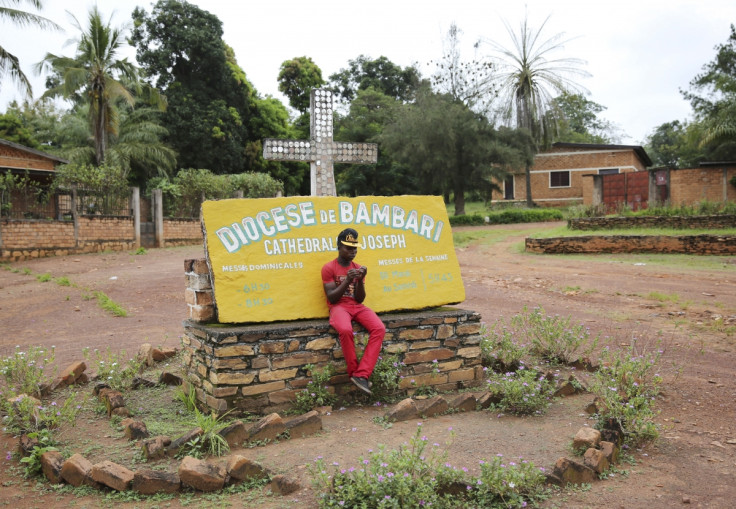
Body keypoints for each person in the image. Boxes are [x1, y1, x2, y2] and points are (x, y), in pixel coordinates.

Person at [321, 228, 385, 395]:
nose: (352, 252)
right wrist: (348, 279)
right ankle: (354, 373)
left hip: (356, 306)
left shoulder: (357, 268)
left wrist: (360, 280)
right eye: (348, 248)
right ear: (338, 247)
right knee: (345, 329)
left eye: (354, 248)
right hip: (339, 307)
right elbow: (332, 298)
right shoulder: (328, 268)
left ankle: (361, 375)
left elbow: (360, 299)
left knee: (379, 328)